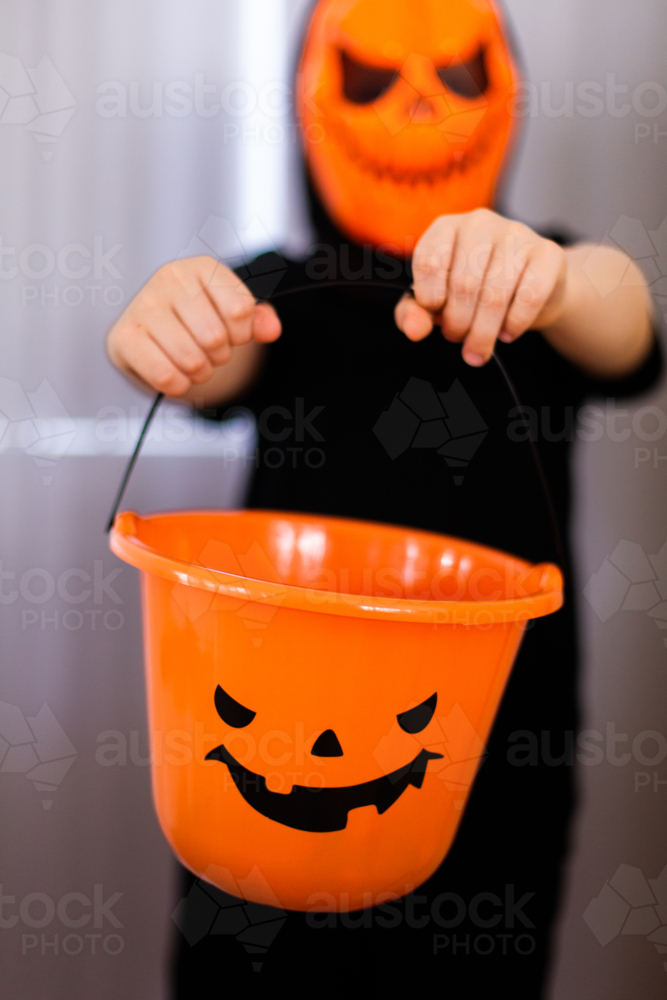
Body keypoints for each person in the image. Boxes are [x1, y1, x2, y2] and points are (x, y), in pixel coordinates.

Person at [106, 0, 661, 993]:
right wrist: (173, 330)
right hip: (263, 762)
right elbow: (213, 367)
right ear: (309, 101)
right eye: (368, 80)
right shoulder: (285, 293)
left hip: (487, 764)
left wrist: (559, 283)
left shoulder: (537, 295)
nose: (414, 110)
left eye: (454, 77)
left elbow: (623, 321)